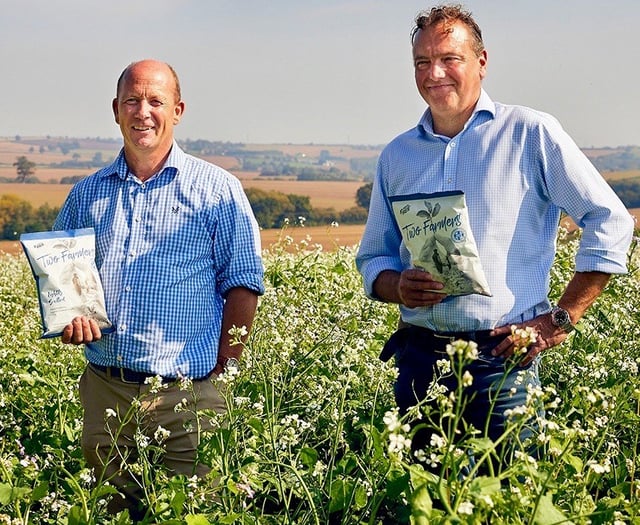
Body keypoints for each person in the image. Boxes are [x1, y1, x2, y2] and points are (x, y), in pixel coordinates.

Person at [356, 4, 634, 462]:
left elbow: (611, 221)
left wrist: (558, 320)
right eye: (422, 63)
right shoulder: (397, 156)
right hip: (419, 358)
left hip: (502, 363)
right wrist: (397, 285)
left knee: (506, 500)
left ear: (481, 62)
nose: (434, 73)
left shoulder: (530, 133)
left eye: (450, 58)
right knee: (424, 503)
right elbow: (373, 258)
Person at [54, 59, 265, 519]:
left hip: (188, 397)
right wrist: (69, 319)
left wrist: (224, 373)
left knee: (192, 513)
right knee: (107, 514)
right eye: (132, 100)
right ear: (115, 110)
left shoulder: (218, 190)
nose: (143, 112)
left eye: (155, 101)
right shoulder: (85, 196)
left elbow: (245, 286)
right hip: (106, 391)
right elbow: (61, 280)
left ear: (178, 109)